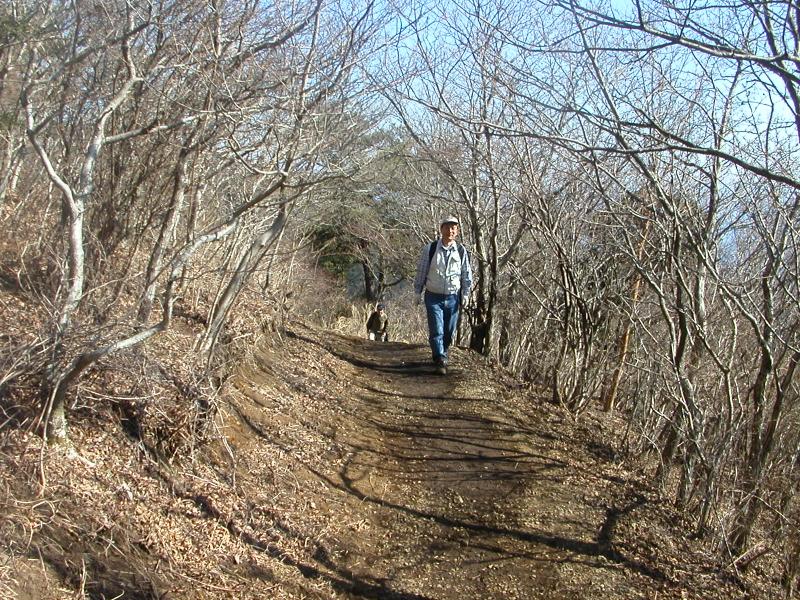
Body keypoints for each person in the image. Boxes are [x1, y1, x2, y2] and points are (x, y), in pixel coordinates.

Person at [413, 215, 472, 375]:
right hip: (433, 296)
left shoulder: (461, 251)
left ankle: (442, 353)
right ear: (441, 229)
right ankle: (439, 358)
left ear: (457, 231)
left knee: (449, 331)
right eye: (447, 227)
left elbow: (466, 273)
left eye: (453, 228)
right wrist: (417, 291)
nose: (450, 231)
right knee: (437, 329)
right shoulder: (431, 249)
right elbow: (422, 271)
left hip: (453, 297)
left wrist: (466, 293)